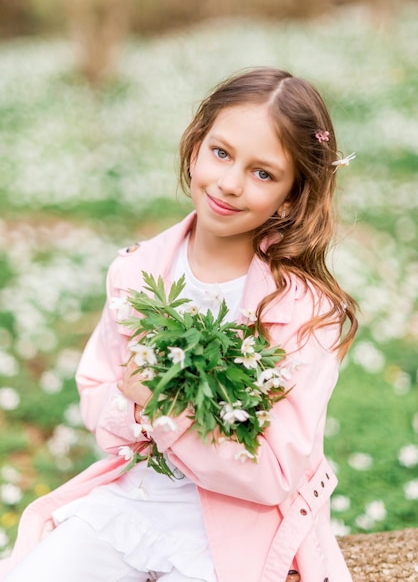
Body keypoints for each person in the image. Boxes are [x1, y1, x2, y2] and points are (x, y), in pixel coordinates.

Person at [0, 67, 358, 582]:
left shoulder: (304, 311)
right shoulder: (139, 270)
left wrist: (165, 410)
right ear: (195, 144)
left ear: (292, 195)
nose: (230, 183)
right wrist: (130, 403)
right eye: (221, 152)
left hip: (236, 532)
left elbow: (275, 473)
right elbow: (99, 395)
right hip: (134, 502)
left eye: (263, 173)